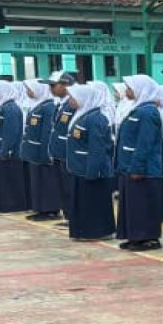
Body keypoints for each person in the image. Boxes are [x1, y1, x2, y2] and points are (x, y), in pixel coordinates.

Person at [114, 75, 163, 251]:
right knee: (133, 205)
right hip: (129, 165)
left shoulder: (148, 112)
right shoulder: (136, 109)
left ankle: (148, 238)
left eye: (130, 88)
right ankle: (134, 236)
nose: (127, 91)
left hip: (144, 168)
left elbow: (145, 143)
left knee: (144, 204)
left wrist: (138, 167)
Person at [64, 84, 117, 242]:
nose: (70, 100)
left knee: (94, 202)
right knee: (83, 202)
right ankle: (82, 231)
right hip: (79, 167)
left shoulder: (96, 118)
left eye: (73, 97)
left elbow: (98, 148)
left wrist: (92, 171)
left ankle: (98, 232)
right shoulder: (82, 115)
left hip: (91, 169)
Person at [19, 79, 63, 221]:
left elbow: (47, 132)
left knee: (46, 181)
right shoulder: (36, 105)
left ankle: (50, 210)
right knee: (37, 181)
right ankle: (40, 208)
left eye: (30, 89)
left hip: (42, 152)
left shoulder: (48, 107)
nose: (28, 92)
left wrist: (45, 153)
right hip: (34, 151)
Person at [41, 71, 80, 226]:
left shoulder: (73, 103)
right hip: (59, 152)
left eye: (53, 85)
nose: (50, 89)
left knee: (70, 187)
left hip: (67, 153)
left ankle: (74, 217)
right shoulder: (61, 104)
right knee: (63, 187)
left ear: (66, 85)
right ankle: (68, 216)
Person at [0, 79, 31, 214]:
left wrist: (6, 150)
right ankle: (3, 205)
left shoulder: (11, 109)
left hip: (9, 152)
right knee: (2, 179)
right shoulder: (2, 106)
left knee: (10, 180)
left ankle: (13, 205)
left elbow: (11, 132)